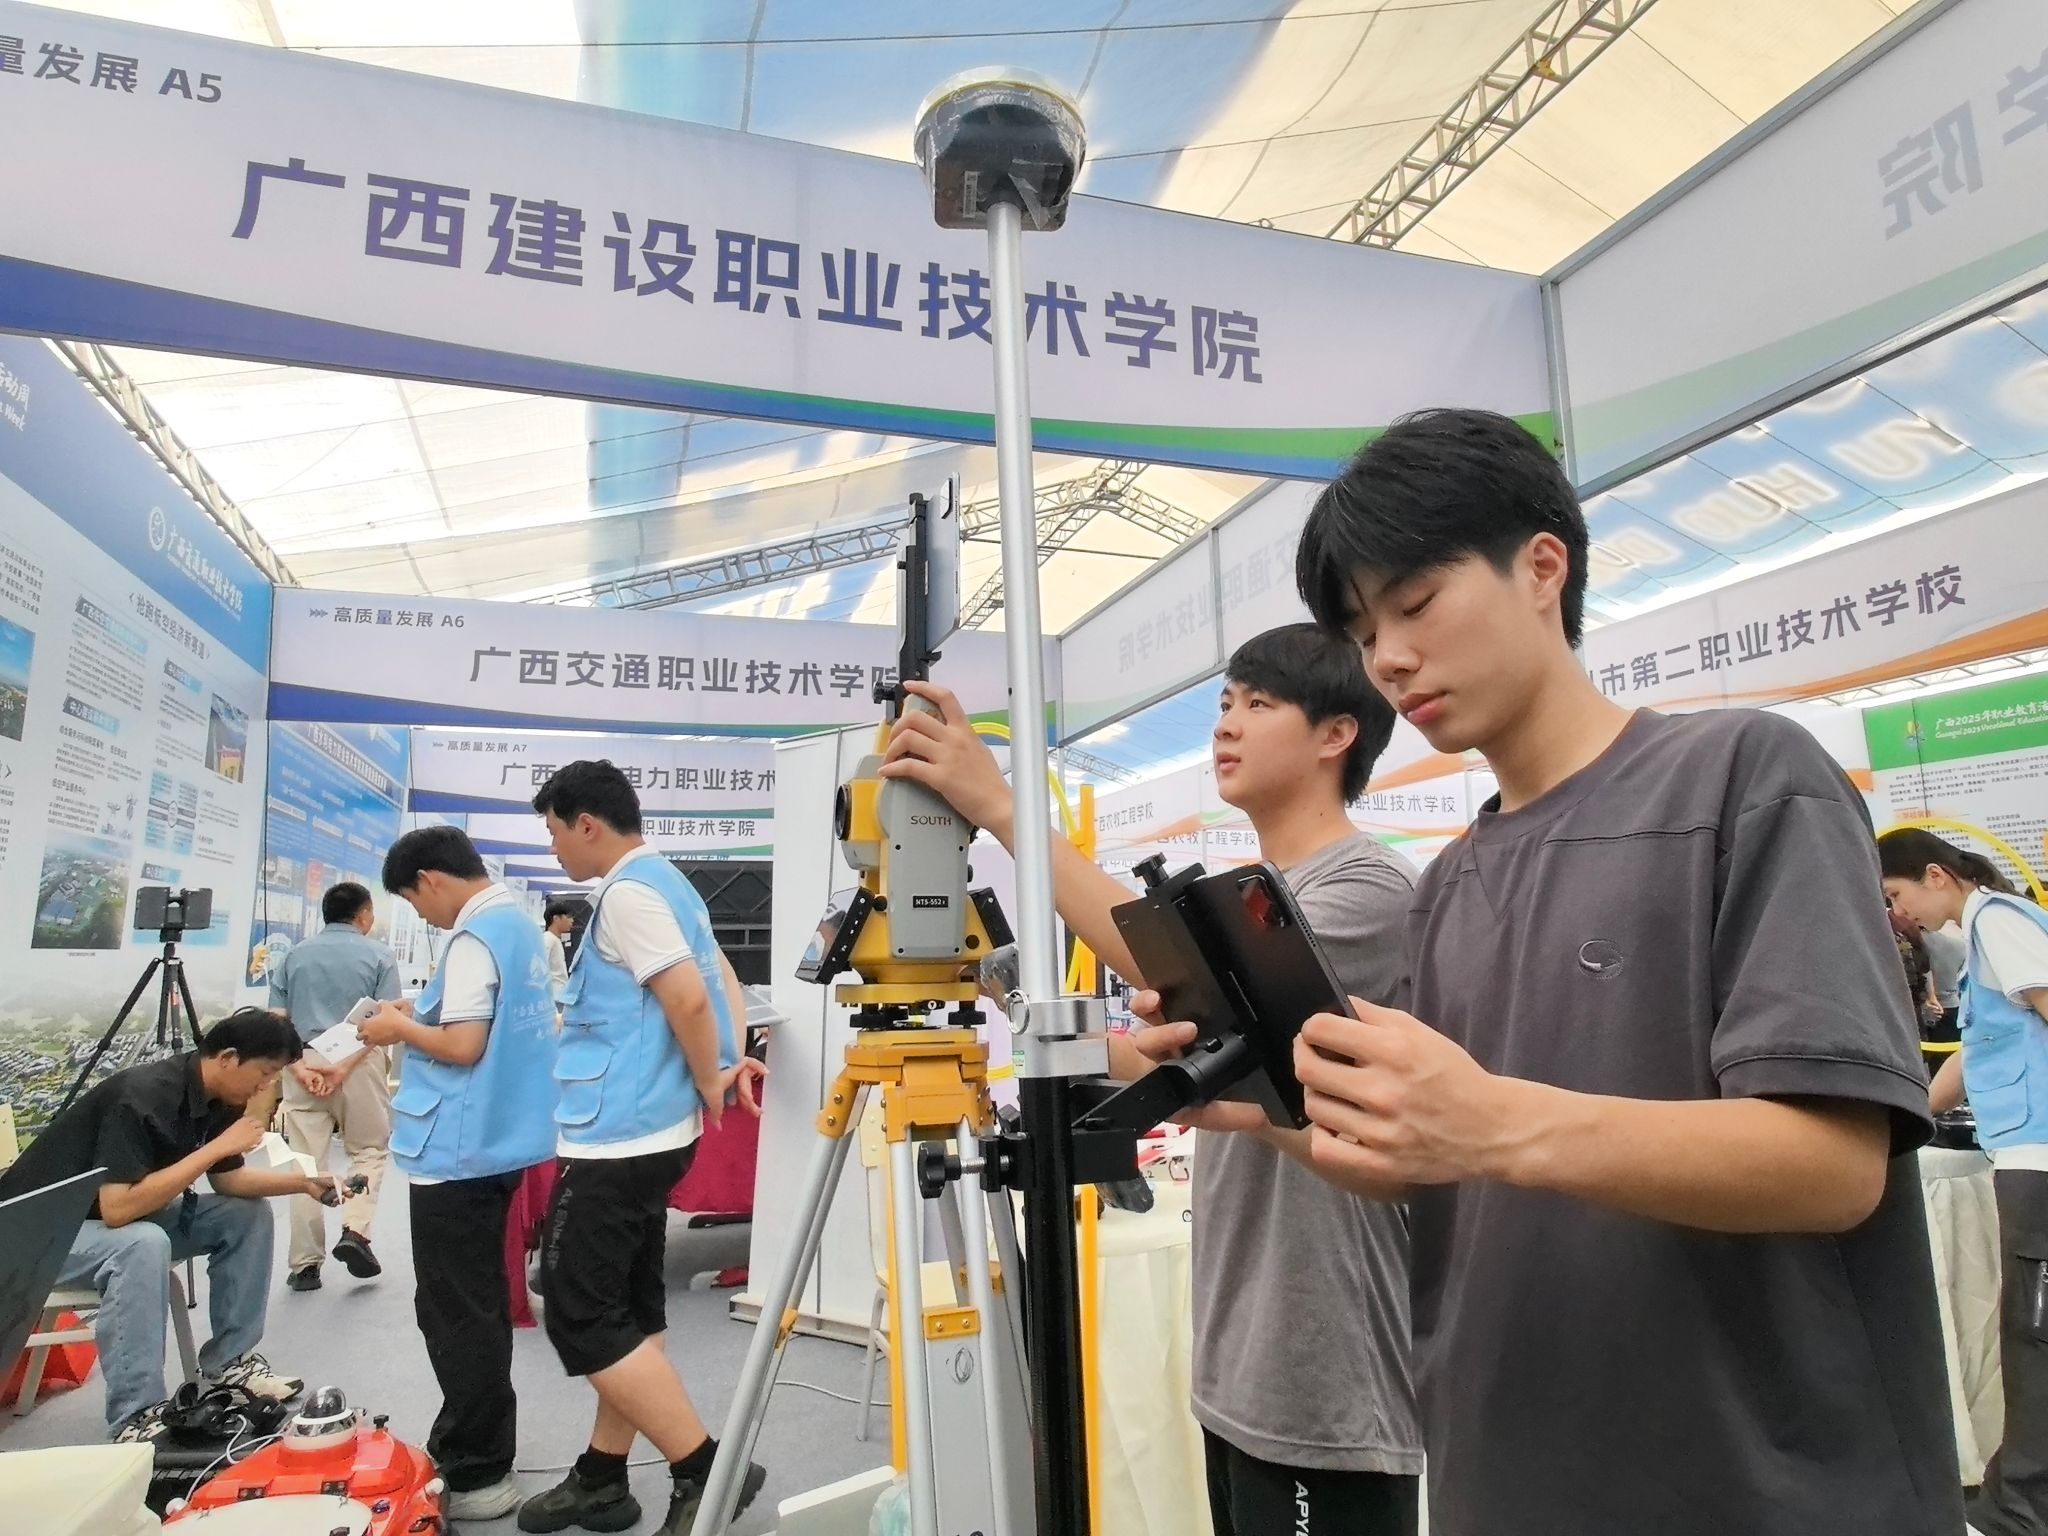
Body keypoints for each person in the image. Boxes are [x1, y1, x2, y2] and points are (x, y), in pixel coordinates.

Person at [1286, 407, 1961, 1536]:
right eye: (1362, 632)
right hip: (1504, 1474)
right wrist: (1267, 1106)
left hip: (1754, 1494)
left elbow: (1833, 1164)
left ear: (1541, 568)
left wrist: (1492, 1122)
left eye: (1415, 602)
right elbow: (1450, 1170)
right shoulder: (1448, 884)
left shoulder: (1742, 778)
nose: (1387, 658)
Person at [880, 623, 1422, 1536]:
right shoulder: (1255, 894)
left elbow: (1189, 998)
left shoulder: (1365, 890)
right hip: (1244, 1355)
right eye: (1224, 703)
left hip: (1327, 1363)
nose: (1226, 724)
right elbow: (1178, 1058)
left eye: (1259, 704)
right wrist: (1033, 1008)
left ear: (1338, 734)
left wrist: (1005, 807)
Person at [521, 759, 769, 1536]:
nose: (555, 848)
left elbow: (690, 997)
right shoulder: (668, 885)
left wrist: (711, 1074)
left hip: (620, 1141)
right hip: (645, 1134)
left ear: (586, 824)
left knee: (578, 1310)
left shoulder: (628, 894)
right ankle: (602, 1476)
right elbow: (719, 975)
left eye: (555, 833)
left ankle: (705, 1469)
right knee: (628, 1307)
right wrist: (724, 1061)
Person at [0, 1009, 336, 1438]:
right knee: (141, 1244)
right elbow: (118, 1209)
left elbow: (229, 1181)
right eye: (265, 1073)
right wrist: (213, 1149)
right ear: (228, 1058)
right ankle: (136, 1416)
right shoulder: (141, 1097)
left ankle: (231, 1365)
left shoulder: (221, 1099)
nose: (266, 1086)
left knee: (244, 1215)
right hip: (34, 1236)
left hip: (103, 1222)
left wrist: (304, 1183)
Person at [355, 825, 559, 1524]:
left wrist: (398, 1030)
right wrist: (419, 1012)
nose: (424, 915)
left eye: (415, 902)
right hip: (501, 1141)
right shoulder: (519, 928)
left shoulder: (472, 939)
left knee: (455, 1311)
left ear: (431, 880)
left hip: (458, 1149)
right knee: (475, 1300)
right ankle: (476, 1446)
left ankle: (477, 1469)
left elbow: (465, 1044)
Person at [1881, 827, 2048, 1536]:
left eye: (1897, 894)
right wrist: (1905, 1117)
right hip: (2020, 1154)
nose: (1900, 913)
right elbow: (1975, 1054)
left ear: (1936, 876)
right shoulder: (1985, 937)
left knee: (2033, 1336)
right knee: (2026, 1332)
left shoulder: (1999, 924)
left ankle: (2022, 1511)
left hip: (2039, 1157)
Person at [270, 880, 402, 1289]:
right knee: (369, 1150)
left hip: (303, 1061)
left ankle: (304, 1265)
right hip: (358, 1062)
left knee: (305, 1163)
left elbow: (276, 1023)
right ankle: (355, 1230)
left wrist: (297, 1068)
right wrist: (344, 1067)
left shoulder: (293, 956)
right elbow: (386, 1022)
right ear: (363, 915)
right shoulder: (380, 955)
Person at [543, 900, 576, 1006]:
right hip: (554, 996)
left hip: (559, 995)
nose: (572, 921)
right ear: (556, 918)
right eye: (568, 917)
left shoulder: (554, 939)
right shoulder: (548, 939)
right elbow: (541, 966)